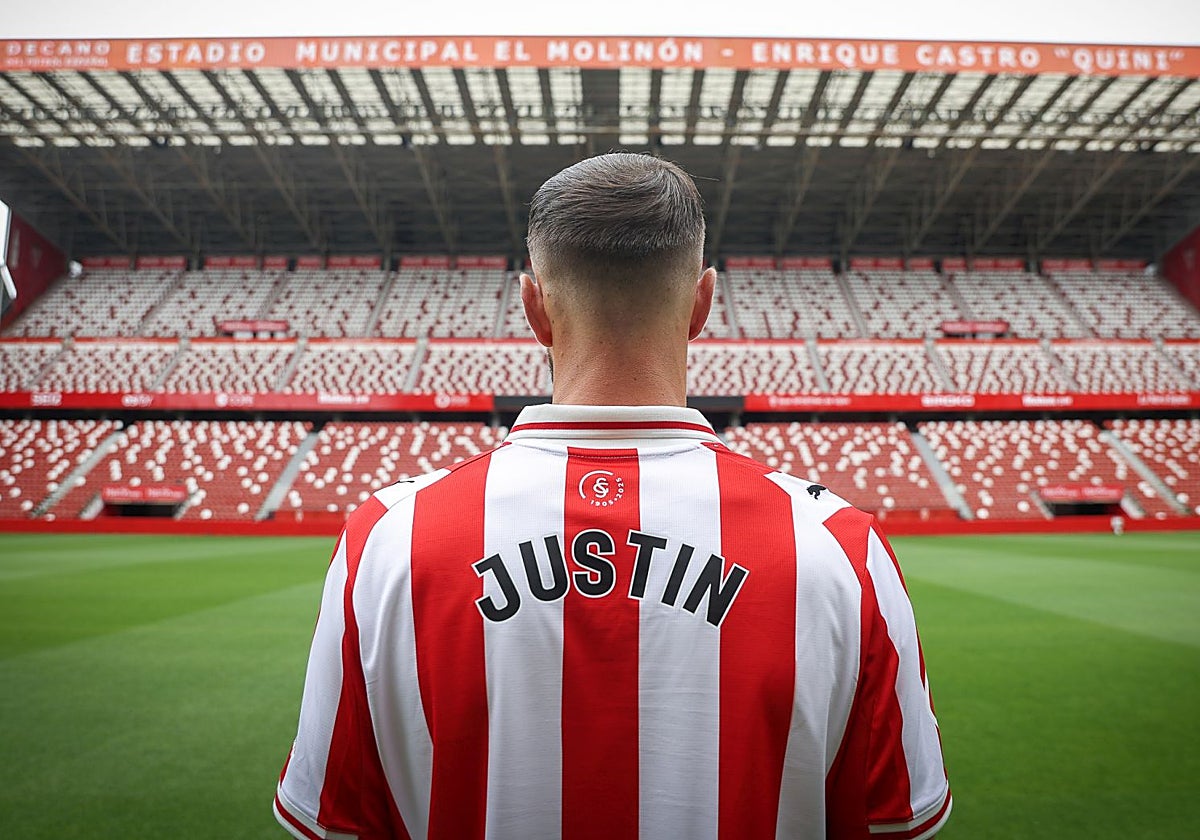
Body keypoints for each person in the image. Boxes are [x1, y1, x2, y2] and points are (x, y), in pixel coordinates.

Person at [274, 153, 951, 840]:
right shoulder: (841, 548)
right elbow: (897, 820)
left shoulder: (387, 539)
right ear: (703, 303)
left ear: (533, 307)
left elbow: (336, 822)